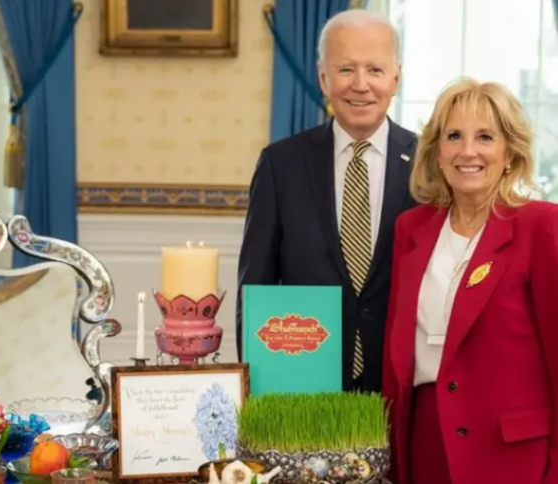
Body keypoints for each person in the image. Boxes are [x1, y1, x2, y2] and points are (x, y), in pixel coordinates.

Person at [382, 77, 558, 484]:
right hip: (424, 446)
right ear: (437, 152)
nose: (467, 151)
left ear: (509, 151)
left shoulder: (542, 227)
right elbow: (398, 349)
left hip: (515, 457)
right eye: (454, 136)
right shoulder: (412, 228)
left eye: (485, 137)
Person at [236, 9, 417, 392]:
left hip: (401, 385)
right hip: (301, 386)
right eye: (346, 69)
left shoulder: (428, 164)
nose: (361, 85)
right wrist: (254, 384)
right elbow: (256, 287)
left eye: (375, 70)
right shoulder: (279, 164)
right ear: (323, 77)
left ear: (396, 78)